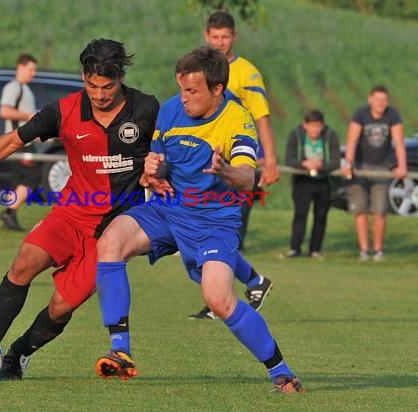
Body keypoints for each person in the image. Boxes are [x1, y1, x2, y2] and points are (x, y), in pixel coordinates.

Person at [0, 39, 159, 380]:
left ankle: (17, 356)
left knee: (61, 306)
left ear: (121, 78)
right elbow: (13, 141)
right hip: (70, 213)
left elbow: (172, 147)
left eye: (108, 87)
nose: (99, 95)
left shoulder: (146, 109)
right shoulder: (65, 110)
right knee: (24, 263)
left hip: (113, 231)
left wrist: (160, 171)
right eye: (92, 85)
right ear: (83, 76)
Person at [94, 46, 305, 393]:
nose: (184, 97)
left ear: (217, 89)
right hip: (168, 208)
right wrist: (153, 170)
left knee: (218, 298)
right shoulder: (170, 110)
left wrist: (225, 171)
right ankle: (121, 351)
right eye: (182, 88)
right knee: (111, 242)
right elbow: (158, 161)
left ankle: (281, 371)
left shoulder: (237, 119)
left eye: (192, 90)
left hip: (214, 220)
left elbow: (247, 178)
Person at [190, 10, 275, 320]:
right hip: (206, 164)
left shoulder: (246, 73)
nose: (220, 42)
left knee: (217, 230)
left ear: (234, 37)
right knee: (200, 228)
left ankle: (225, 297)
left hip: (236, 165)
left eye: (225, 37)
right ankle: (253, 281)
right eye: (215, 37)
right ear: (206, 36)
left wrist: (271, 161)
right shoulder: (199, 70)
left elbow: (261, 117)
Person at [341, 85, 407, 262]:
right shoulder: (361, 113)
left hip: (382, 170)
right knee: (361, 211)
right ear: (370, 99)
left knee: (379, 212)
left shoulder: (392, 115)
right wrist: (348, 163)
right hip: (361, 169)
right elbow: (352, 139)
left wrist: (402, 166)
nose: (381, 103)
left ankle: (378, 250)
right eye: (377, 99)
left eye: (384, 100)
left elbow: (399, 142)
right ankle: (364, 250)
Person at [281, 109, 340, 259]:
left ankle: (315, 250)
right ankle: (295, 248)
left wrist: (321, 165)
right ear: (305, 125)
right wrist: (304, 163)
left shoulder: (330, 136)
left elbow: (335, 161)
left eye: (318, 126)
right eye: (312, 126)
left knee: (320, 217)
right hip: (302, 181)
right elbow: (289, 159)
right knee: (300, 215)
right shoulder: (296, 135)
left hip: (323, 181)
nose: (315, 129)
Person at [0, 53, 38, 231]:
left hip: (26, 141)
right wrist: (29, 117)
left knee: (19, 180)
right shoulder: (14, 88)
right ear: (20, 67)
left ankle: (10, 214)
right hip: (20, 143)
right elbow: (5, 112)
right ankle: (9, 211)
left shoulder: (25, 89)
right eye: (30, 69)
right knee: (32, 178)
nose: (33, 74)